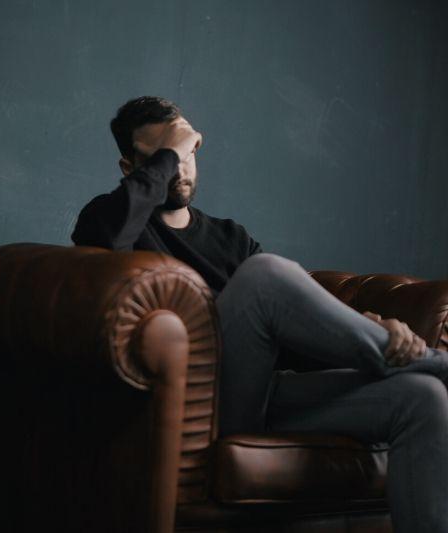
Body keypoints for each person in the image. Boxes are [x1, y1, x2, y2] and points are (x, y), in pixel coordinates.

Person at [71, 96, 448, 532]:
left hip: (265, 396)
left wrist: (368, 328)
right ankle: (432, 362)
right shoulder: (109, 220)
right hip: (201, 407)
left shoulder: (231, 238)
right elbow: (104, 240)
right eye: (162, 155)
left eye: (187, 149)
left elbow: (289, 334)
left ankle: (413, 363)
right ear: (129, 168)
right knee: (264, 275)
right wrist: (171, 152)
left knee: (424, 399)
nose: (179, 167)